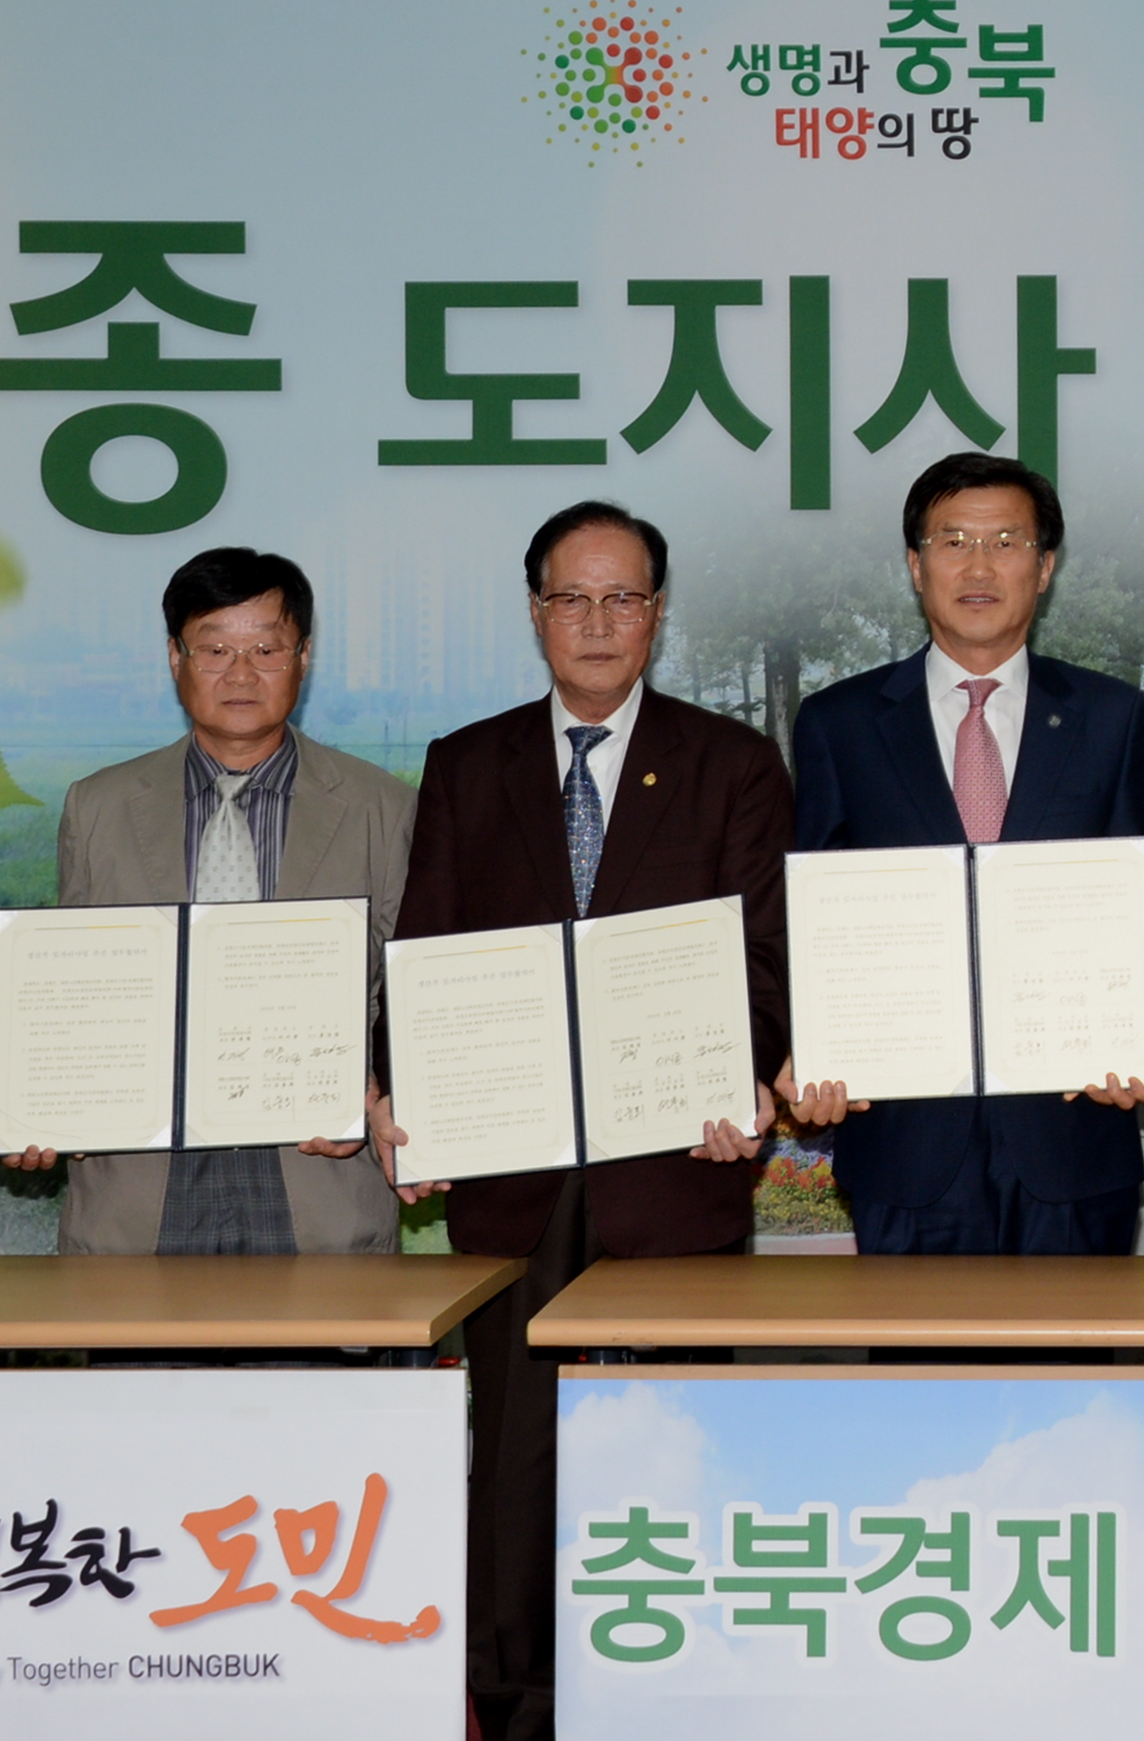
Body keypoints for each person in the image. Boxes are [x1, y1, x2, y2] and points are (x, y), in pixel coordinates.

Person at [394, 499, 792, 1741]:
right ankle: (517, 1699)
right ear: (537, 613)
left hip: (673, 1172)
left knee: (673, 1444)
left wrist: (744, 1077)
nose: (599, 622)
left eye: (624, 598)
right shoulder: (470, 765)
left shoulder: (731, 763)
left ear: (658, 614)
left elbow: (765, 960)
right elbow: (427, 950)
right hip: (510, 1174)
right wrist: (409, 1094)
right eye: (573, 597)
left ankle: (678, 1693)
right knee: (515, 1460)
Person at [0, 546, 414, 1254]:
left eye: (266, 648)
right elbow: (74, 991)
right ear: (175, 659)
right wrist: (41, 1099)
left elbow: (407, 996)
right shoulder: (98, 806)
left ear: (303, 658)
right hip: (142, 1182)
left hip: (314, 1175)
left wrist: (378, 1095)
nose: (240, 673)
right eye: (214, 649)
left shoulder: (382, 808)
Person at [783, 451, 1144, 1254]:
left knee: (1080, 1343)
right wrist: (813, 1046)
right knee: (917, 1345)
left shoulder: (1111, 716)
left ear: (1045, 567)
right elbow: (813, 922)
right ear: (915, 565)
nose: (979, 566)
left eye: (1006, 542)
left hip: (1071, 1130)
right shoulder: (839, 723)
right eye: (953, 541)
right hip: (905, 1140)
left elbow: (1136, 911)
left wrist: (1133, 1028)